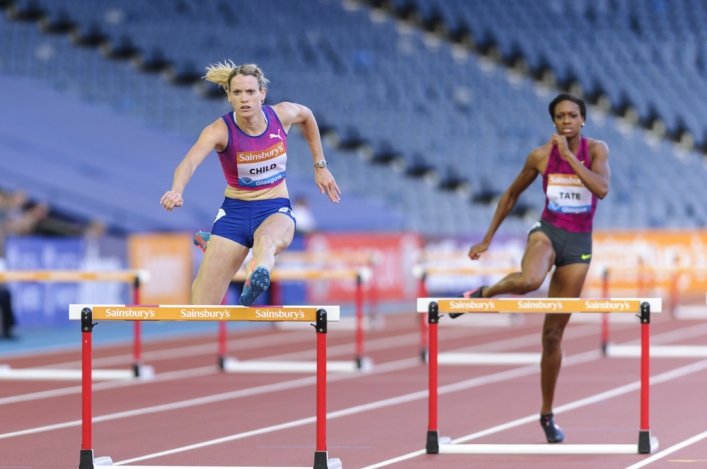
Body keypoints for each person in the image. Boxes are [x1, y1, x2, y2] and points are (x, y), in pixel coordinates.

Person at [454, 93, 610, 443]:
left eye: (572, 115)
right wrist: (487, 238)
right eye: (559, 116)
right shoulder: (540, 156)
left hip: (580, 244)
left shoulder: (597, 150)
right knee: (529, 280)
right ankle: (486, 292)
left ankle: (546, 414)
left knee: (552, 337)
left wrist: (570, 157)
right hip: (548, 232)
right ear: (553, 122)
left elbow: (601, 189)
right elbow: (510, 195)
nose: (566, 120)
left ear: (582, 120)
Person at [160, 62, 340, 306]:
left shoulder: (282, 114)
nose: (244, 99)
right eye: (237, 93)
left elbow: (307, 115)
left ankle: (256, 277)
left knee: (265, 242)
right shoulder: (219, 130)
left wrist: (320, 165)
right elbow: (189, 162)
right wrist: (176, 190)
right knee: (201, 307)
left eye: (250, 92)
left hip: (274, 209)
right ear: (229, 95)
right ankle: (216, 243)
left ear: (262, 94)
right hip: (234, 214)